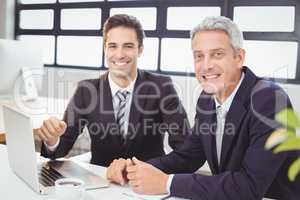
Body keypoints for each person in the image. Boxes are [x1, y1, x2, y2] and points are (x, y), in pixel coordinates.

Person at [108, 16, 300, 199]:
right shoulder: (207, 99)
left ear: (239, 57)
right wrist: (136, 169)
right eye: (199, 56)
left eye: (217, 54)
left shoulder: (270, 100)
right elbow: (189, 156)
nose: (206, 65)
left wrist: (167, 183)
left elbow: (249, 187)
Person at [36, 14, 189, 168]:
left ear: (140, 50)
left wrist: (148, 169)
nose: (120, 54)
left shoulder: (162, 87)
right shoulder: (86, 91)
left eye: (128, 46)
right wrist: (52, 140)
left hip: (148, 184)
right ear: (105, 49)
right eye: (113, 46)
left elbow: (185, 148)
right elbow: (60, 147)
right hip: (101, 182)